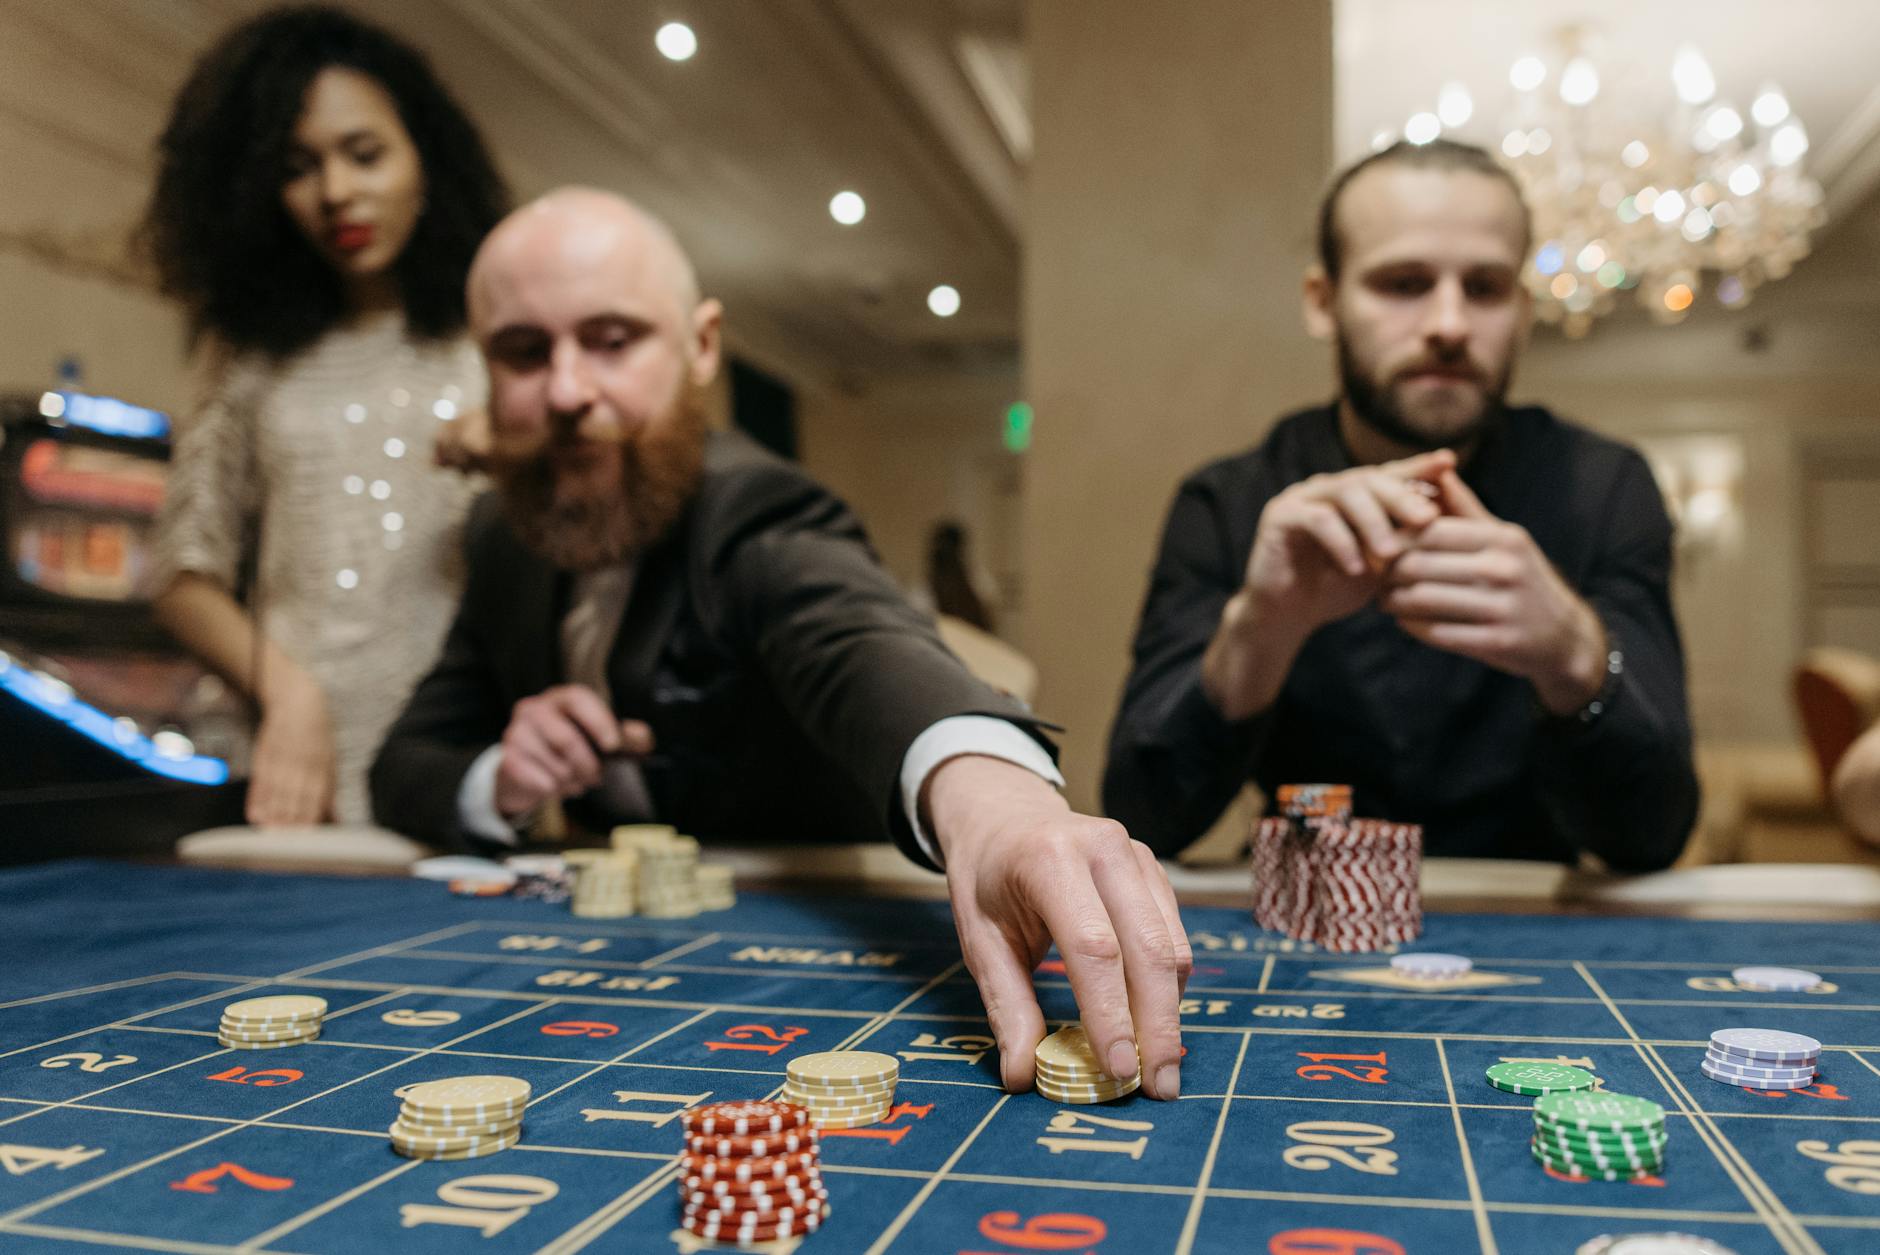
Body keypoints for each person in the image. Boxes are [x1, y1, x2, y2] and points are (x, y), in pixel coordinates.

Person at [371, 188, 1190, 1099]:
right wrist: (504, 777)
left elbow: (856, 638)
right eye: (524, 352)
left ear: (702, 348)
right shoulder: (501, 536)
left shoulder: (757, 511)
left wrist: (994, 806)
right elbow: (405, 760)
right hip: (593, 985)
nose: (567, 390)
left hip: (806, 958)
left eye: (612, 339)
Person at [1104, 139, 1698, 870]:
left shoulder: (1605, 487)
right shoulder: (1229, 500)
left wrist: (1572, 652)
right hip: (1302, 901)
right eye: (1404, 283)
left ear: (1520, 308)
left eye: (1485, 288)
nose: (1449, 323)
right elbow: (1142, 817)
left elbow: (1653, 836)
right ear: (1323, 303)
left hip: (1534, 904)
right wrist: (1258, 631)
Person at [142, 5, 508, 825]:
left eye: (365, 154)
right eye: (297, 166)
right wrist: (289, 693)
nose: (336, 192)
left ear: (427, 156)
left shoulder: (494, 331)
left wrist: (518, 452)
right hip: (295, 761)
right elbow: (181, 574)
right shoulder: (249, 355)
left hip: (463, 755)